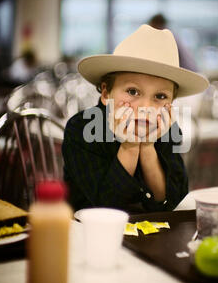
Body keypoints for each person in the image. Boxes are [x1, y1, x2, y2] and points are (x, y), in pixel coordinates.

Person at [62, 24, 208, 213]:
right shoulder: (82, 128)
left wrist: (147, 147)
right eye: (133, 91)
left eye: (160, 96)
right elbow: (104, 209)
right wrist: (129, 146)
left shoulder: (167, 129)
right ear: (106, 93)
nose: (145, 108)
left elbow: (172, 201)